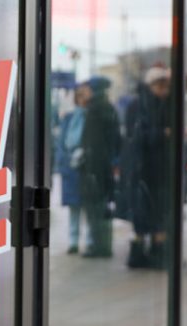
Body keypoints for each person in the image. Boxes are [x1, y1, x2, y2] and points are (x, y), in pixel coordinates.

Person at [121, 65, 173, 268]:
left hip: (159, 169)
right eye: (161, 86)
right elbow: (136, 137)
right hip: (142, 168)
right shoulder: (138, 105)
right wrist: (163, 134)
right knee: (144, 212)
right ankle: (143, 253)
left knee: (157, 212)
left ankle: (154, 251)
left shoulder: (164, 104)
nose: (164, 91)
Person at [78, 76, 121, 258]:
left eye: (86, 88)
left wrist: (89, 168)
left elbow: (92, 144)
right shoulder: (109, 108)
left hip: (94, 169)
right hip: (105, 168)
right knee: (102, 208)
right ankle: (104, 245)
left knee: (95, 209)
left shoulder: (94, 110)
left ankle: (99, 247)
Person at [56, 84, 89, 254]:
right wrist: (63, 162)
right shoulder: (69, 118)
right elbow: (61, 142)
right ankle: (73, 240)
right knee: (74, 207)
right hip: (70, 167)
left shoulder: (91, 117)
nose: (83, 98)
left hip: (85, 167)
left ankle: (89, 241)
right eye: (80, 95)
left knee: (87, 206)